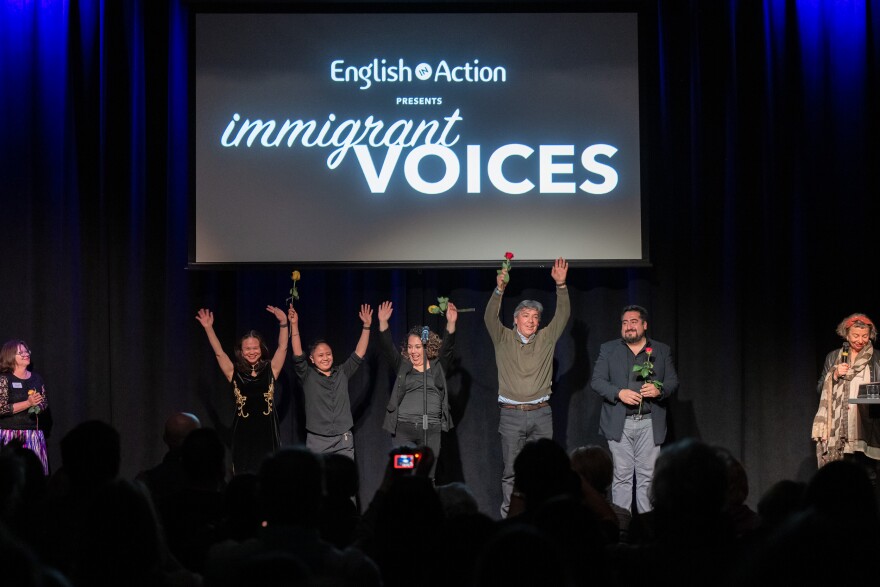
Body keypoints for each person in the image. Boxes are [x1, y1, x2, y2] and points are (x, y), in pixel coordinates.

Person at [484, 257, 570, 517]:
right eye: (526, 316)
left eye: (535, 317)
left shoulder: (545, 338)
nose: (531, 321)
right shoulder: (503, 338)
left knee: (545, 470)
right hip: (511, 414)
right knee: (511, 471)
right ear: (516, 319)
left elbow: (563, 314)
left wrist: (561, 285)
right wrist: (499, 289)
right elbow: (490, 316)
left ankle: (542, 516)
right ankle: (510, 518)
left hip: (541, 414)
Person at [591, 304, 679, 514]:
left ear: (644, 325)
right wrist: (619, 393)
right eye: (624, 323)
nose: (628, 327)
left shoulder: (661, 349)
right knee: (621, 477)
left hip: (649, 423)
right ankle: (623, 527)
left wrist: (659, 391)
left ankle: (646, 529)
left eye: (633, 322)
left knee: (647, 477)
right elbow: (597, 381)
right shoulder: (609, 349)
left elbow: (672, 382)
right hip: (619, 423)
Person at [196, 306, 288, 474]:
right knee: (244, 471)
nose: (252, 352)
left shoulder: (271, 370)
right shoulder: (234, 373)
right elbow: (219, 353)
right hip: (243, 433)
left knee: (269, 472)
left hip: (267, 432)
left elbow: (282, 348)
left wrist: (283, 323)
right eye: (247, 348)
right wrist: (209, 328)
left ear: (261, 350)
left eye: (255, 348)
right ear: (241, 351)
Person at [376, 300, 457, 475]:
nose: (413, 351)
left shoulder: (438, 367)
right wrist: (383, 323)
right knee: (404, 475)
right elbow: (388, 348)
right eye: (410, 347)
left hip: (431, 430)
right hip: (403, 431)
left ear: (427, 348)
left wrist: (451, 323)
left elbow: (448, 348)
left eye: (418, 347)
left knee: (427, 477)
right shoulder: (403, 366)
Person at [288, 303, 372, 459]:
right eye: (320, 355)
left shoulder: (341, 373)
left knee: (344, 479)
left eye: (328, 354)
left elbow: (358, 354)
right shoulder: (308, 375)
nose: (325, 358)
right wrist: (294, 325)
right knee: (319, 481)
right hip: (317, 439)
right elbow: (298, 354)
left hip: (343, 438)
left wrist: (366, 326)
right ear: (312, 359)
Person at [812, 313, 880, 479]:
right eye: (855, 335)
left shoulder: (877, 357)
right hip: (840, 428)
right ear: (846, 334)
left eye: (865, 336)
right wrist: (834, 375)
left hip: (867, 425)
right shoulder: (834, 357)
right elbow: (820, 388)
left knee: (868, 475)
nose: (860, 340)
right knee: (841, 477)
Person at [0, 340, 49, 474]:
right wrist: (28, 403)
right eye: (20, 352)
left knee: (34, 477)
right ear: (10, 356)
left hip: (33, 435)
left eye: (26, 351)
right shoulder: (4, 379)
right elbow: (1, 408)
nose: (25, 354)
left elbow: (44, 403)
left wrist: (39, 404)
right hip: (10, 436)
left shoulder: (37, 378)